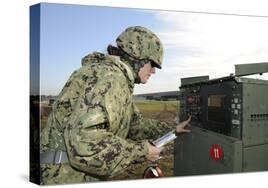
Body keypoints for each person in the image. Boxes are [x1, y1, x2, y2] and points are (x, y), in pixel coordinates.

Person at [40, 26, 191, 185]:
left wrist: (172, 129)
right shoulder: (111, 78)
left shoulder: (112, 77)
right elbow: (85, 145)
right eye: (152, 64)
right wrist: (143, 151)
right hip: (66, 177)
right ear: (137, 56)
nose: (153, 71)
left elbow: (135, 125)